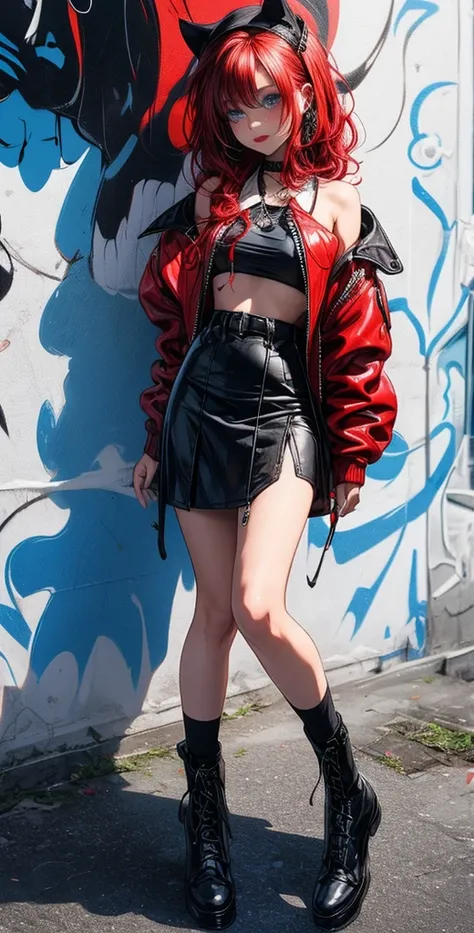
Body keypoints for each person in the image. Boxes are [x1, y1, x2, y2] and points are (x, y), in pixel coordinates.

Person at [133, 1, 402, 929]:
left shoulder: (336, 205)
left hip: (287, 413)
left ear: (306, 98)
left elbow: (358, 342)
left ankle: (346, 795)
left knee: (257, 604)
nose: (253, 124)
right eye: (238, 108)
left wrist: (354, 451)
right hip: (199, 414)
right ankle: (203, 823)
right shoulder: (209, 202)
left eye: (269, 105)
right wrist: (150, 440)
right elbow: (179, 332)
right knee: (211, 616)